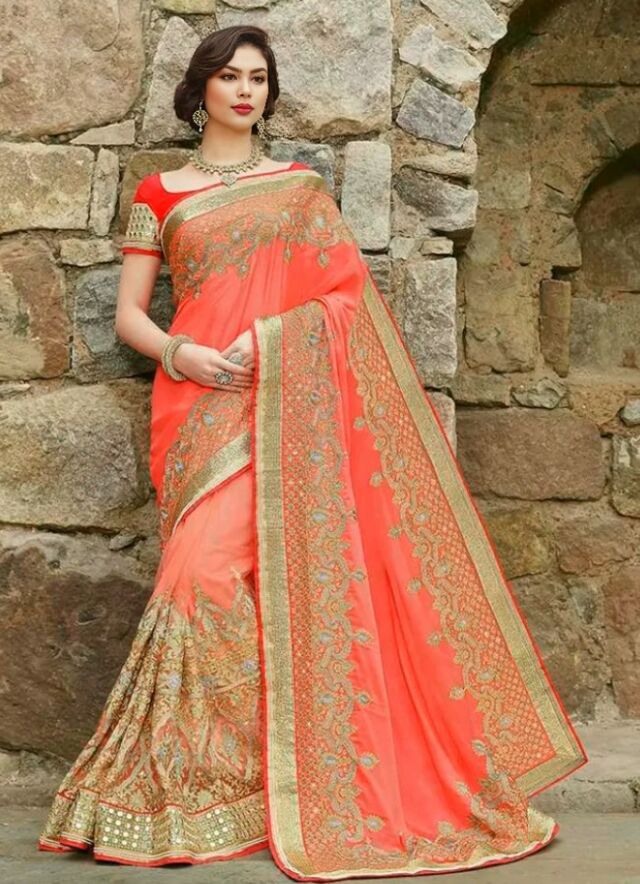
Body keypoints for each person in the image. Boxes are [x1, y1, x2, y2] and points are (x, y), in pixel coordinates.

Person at [37, 23, 587, 879]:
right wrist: (182, 354)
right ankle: (214, 783)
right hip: (198, 406)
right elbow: (130, 316)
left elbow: (346, 301)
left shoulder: (298, 190)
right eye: (229, 76)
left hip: (287, 397)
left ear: (269, 93)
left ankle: (279, 781)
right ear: (200, 89)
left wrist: (270, 340)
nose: (244, 90)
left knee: (258, 583)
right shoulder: (160, 193)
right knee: (197, 580)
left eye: (258, 78)